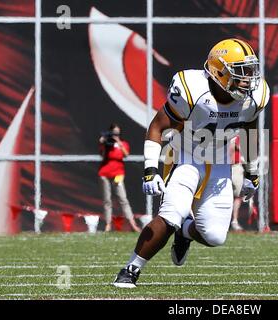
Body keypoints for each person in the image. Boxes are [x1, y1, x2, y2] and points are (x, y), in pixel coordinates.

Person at [113, 38, 269, 288]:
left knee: (216, 236)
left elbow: (249, 129)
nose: (248, 79)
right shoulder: (192, 90)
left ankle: (185, 232)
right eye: (240, 72)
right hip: (185, 155)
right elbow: (158, 127)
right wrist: (151, 170)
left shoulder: (254, 97)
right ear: (219, 71)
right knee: (171, 215)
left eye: (250, 71)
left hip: (220, 161)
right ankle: (131, 269)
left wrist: (252, 172)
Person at [98, 123, 141, 232]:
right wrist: (103, 143)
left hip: (118, 173)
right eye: (113, 133)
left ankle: (132, 224)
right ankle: (108, 225)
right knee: (107, 200)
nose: (115, 135)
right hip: (105, 173)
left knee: (123, 199)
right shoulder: (107, 144)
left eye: (117, 133)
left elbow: (126, 154)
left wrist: (118, 143)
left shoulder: (123, 143)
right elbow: (102, 155)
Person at [230, 135, 245, 231]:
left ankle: (234, 221)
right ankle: (232, 221)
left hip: (234, 167)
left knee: (237, 196)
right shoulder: (233, 136)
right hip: (232, 166)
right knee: (235, 196)